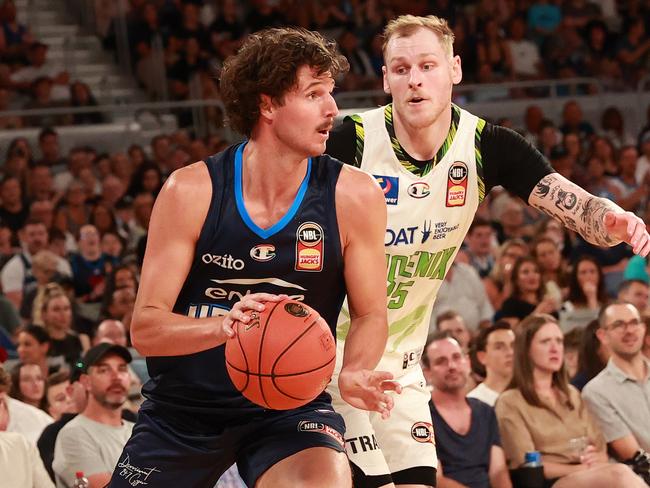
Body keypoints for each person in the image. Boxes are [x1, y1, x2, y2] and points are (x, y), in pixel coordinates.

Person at [324, 14, 650, 487]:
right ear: (385, 78)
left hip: (404, 365)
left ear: (454, 69)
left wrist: (610, 219)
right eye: (400, 68)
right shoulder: (349, 140)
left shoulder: (485, 146)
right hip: (335, 358)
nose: (414, 79)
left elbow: (569, 200)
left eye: (427, 65)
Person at [109, 27, 396, 488]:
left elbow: (371, 313)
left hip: (290, 406)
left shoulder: (354, 195)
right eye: (313, 93)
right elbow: (145, 329)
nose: (332, 109)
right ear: (267, 106)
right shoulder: (192, 190)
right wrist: (224, 327)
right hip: (185, 411)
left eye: (331, 93)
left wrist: (356, 369)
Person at [495, 314, 644, 488]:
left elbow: (600, 449)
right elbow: (527, 465)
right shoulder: (510, 401)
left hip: (590, 474)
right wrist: (580, 469)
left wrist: (595, 459)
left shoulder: (572, 394)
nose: (555, 348)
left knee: (621, 473)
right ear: (526, 349)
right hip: (550, 482)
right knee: (619, 474)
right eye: (545, 342)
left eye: (558, 341)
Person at [422, 332, 511, 488]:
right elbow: (436, 479)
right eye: (441, 361)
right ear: (427, 372)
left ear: (468, 362)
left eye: (456, 357)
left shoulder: (485, 411)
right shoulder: (422, 416)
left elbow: (498, 471)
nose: (452, 366)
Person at [582, 302, 650, 477]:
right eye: (619, 325)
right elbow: (636, 457)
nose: (629, 330)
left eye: (634, 323)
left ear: (643, 328)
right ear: (603, 335)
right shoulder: (596, 392)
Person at [53, 343, 134, 488]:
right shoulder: (74, 433)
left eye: (122, 369)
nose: (116, 377)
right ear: (86, 382)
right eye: (104, 370)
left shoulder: (138, 430)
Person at [467, 322, 515, 407]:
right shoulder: (475, 402)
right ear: (482, 357)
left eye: (513, 345)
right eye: (499, 347)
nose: (510, 352)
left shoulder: (529, 394)